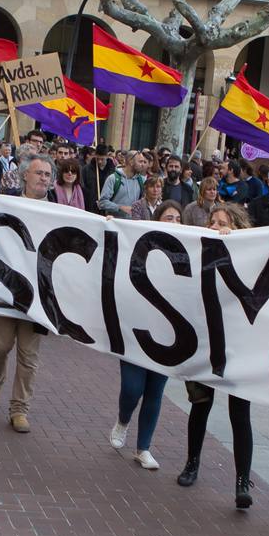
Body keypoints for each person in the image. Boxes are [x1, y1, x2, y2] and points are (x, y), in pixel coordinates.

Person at [179, 202, 259, 506]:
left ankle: (242, 482)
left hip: (237, 345)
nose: (215, 227)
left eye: (222, 223)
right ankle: (191, 463)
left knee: (240, 413)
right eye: (212, 222)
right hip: (205, 342)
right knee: (200, 404)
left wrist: (233, 244)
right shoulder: (199, 250)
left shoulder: (250, 257)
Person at [109, 199, 184, 470]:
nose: (174, 223)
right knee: (132, 388)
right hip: (136, 330)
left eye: (178, 219)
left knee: (155, 390)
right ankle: (123, 420)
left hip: (168, 335)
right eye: (169, 218)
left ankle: (143, 448)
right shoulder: (139, 246)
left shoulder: (188, 253)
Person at [0, 153, 55, 430]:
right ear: (25, 175)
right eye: (39, 173)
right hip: (6, 288)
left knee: (29, 355)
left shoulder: (58, 210)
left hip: (38, 295)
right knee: (0, 345)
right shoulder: (6, 201)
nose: (44, 179)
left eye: (48, 175)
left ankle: (19, 409)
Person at [97, 149, 147, 216]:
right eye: (140, 162)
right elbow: (102, 203)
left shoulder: (142, 180)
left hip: (133, 224)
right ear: (131, 162)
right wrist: (120, 207)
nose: (143, 165)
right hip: (115, 223)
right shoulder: (113, 178)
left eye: (144, 162)